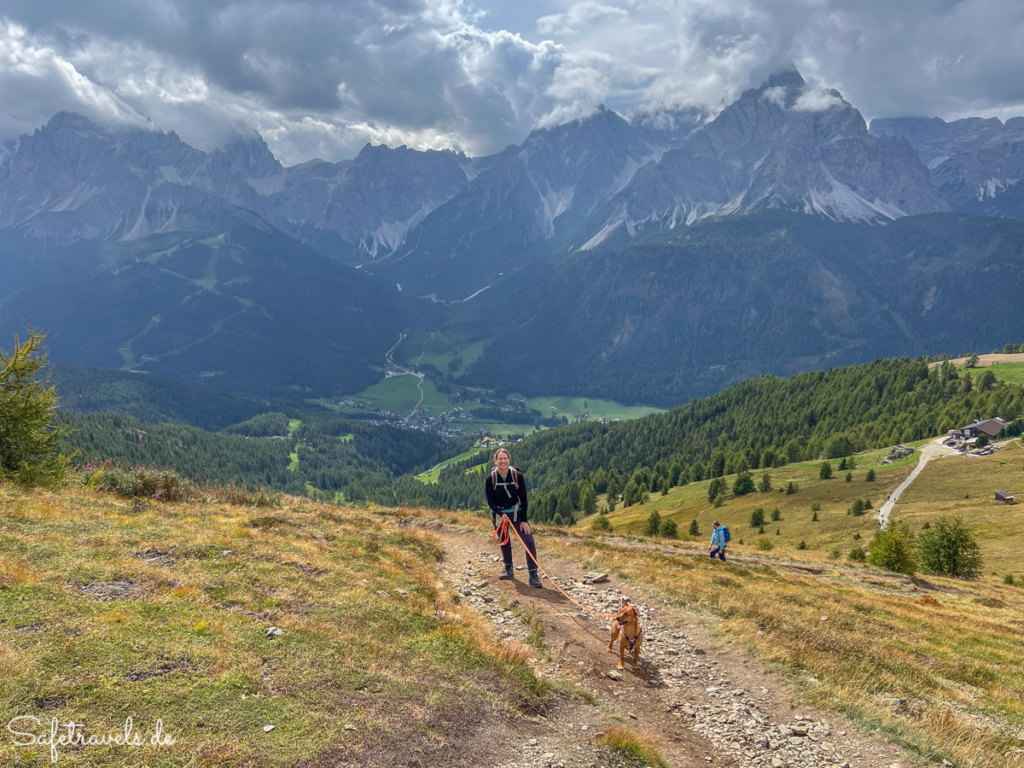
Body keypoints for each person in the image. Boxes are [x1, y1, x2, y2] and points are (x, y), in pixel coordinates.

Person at [485, 448, 542, 588]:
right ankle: (508, 569)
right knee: (504, 541)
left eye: (505, 458)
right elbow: (490, 501)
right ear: (496, 461)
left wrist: (524, 520)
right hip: (500, 515)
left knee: (529, 542)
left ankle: (533, 575)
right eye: (500, 459)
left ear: (509, 460)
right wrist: (500, 513)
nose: (503, 461)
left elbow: (524, 498)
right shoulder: (490, 479)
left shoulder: (517, 476)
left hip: (517, 514)